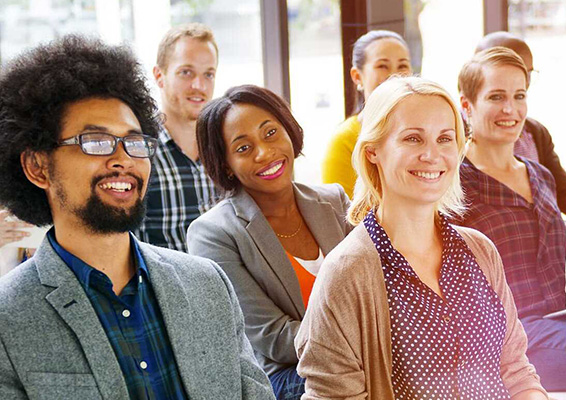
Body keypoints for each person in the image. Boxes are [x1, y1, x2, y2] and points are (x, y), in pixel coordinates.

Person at [0, 35, 272, 399]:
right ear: (37, 167)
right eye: (94, 141)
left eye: (135, 141)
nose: (122, 159)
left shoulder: (208, 284)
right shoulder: (9, 319)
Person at [295, 76, 547, 399]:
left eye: (445, 138)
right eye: (413, 139)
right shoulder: (347, 273)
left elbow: (516, 372)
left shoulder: (480, 251)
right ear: (373, 151)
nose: (432, 154)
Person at [187, 85, 353, 400]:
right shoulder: (212, 233)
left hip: (357, 361)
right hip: (287, 378)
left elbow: (377, 291)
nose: (264, 153)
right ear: (225, 165)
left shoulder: (334, 201)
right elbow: (272, 338)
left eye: (271, 133)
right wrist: (361, 344)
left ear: (289, 131)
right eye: (243, 148)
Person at [455, 46, 566, 391]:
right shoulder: (455, 186)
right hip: (511, 338)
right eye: (496, 97)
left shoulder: (540, 174)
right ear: (467, 106)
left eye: (518, 96)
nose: (510, 109)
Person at [474, 32, 566, 219]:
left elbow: (565, 192)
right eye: (496, 96)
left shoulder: (534, 132)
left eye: (527, 73)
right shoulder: (452, 138)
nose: (522, 80)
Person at [138, 23, 221, 252]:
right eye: (186, 72)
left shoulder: (225, 147)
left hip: (228, 286)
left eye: (208, 74)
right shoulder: (137, 153)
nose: (199, 85)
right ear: (159, 76)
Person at [322, 30, 411, 198]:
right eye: (382, 66)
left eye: (403, 66)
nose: (395, 75)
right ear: (357, 76)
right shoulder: (345, 140)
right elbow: (339, 216)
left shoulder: (426, 130)